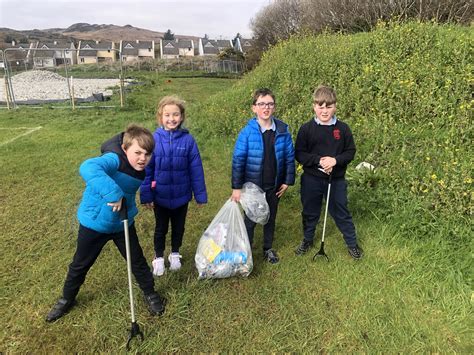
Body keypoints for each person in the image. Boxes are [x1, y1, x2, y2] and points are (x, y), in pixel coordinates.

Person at [46, 124, 166, 323]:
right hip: (94, 224)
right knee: (80, 264)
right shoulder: (113, 159)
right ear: (125, 149)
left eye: (147, 154)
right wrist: (114, 193)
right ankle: (66, 299)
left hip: (122, 224)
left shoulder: (140, 169)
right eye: (137, 152)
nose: (143, 158)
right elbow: (88, 167)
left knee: (137, 261)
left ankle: (150, 293)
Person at [140, 96, 207, 276]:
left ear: (182, 117)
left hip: (181, 196)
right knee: (160, 228)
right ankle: (158, 257)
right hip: (160, 196)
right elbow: (147, 169)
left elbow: (196, 169)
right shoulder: (153, 140)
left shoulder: (188, 141)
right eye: (167, 115)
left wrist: (200, 195)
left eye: (175, 115)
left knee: (179, 227)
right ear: (160, 117)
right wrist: (146, 195)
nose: (171, 119)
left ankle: (175, 253)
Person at [294, 85, 363, 259]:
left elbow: (350, 151)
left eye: (329, 106)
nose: (324, 111)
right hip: (312, 179)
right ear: (314, 106)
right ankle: (308, 239)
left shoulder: (343, 129)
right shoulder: (306, 129)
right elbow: (300, 153)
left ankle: (352, 244)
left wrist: (335, 161)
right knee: (310, 211)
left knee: (341, 211)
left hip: (336, 179)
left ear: (335, 106)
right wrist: (319, 161)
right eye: (320, 106)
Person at [231, 88, 295, 264]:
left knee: (270, 218)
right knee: (250, 219)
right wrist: (236, 188)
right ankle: (246, 250)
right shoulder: (247, 133)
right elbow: (238, 160)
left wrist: (288, 181)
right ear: (254, 108)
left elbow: (290, 156)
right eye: (261, 104)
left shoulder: (282, 131)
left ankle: (268, 248)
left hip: (274, 185)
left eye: (269, 104)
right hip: (252, 186)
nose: (266, 108)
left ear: (274, 107)